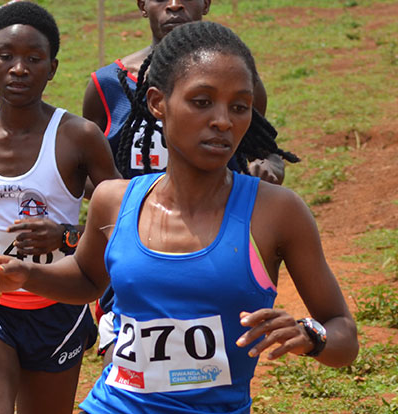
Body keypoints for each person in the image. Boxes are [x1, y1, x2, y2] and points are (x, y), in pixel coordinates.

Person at [0, 21, 358, 414]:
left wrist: (312, 335)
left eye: (239, 106)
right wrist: (30, 275)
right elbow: (90, 279)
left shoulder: (276, 214)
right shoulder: (115, 200)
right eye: (202, 101)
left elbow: (344, 333)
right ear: (159, 103)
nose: (222, 122)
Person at [0, 3, 121, 414]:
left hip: (58, 313)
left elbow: (120, 219)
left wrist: (66, 234)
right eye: (7, 56)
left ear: (52, 67)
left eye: (33, 58)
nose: (19, 68)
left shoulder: (79, 136)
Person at [82, 0, 286, 360]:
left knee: (210, 365)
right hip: (135, 252)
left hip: (214, 252)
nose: (174, 4)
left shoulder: (241, 82)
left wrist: (270, 166)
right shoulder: (107, 85)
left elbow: (262, 148)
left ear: (206, 3)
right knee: (133, 368)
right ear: (143, 4)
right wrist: (120, 207)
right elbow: (90, 170)